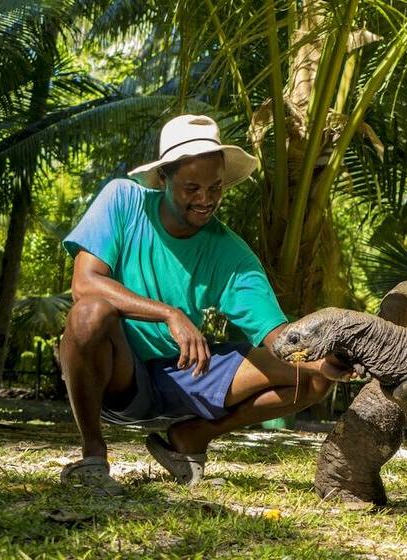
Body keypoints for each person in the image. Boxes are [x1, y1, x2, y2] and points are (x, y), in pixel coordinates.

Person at [59, 114, 352, 495]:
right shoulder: (122, 200)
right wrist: (169, 314)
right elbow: (85, 284)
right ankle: (93, 457)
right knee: (89, 313)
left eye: (215, 187)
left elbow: (277, 336)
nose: (206, 200)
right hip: (117, 373)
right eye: (191, 187)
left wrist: (327, 358)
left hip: (184, 375)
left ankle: (193, 436)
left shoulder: (230, 253)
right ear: (163, 179)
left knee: (313, 377)